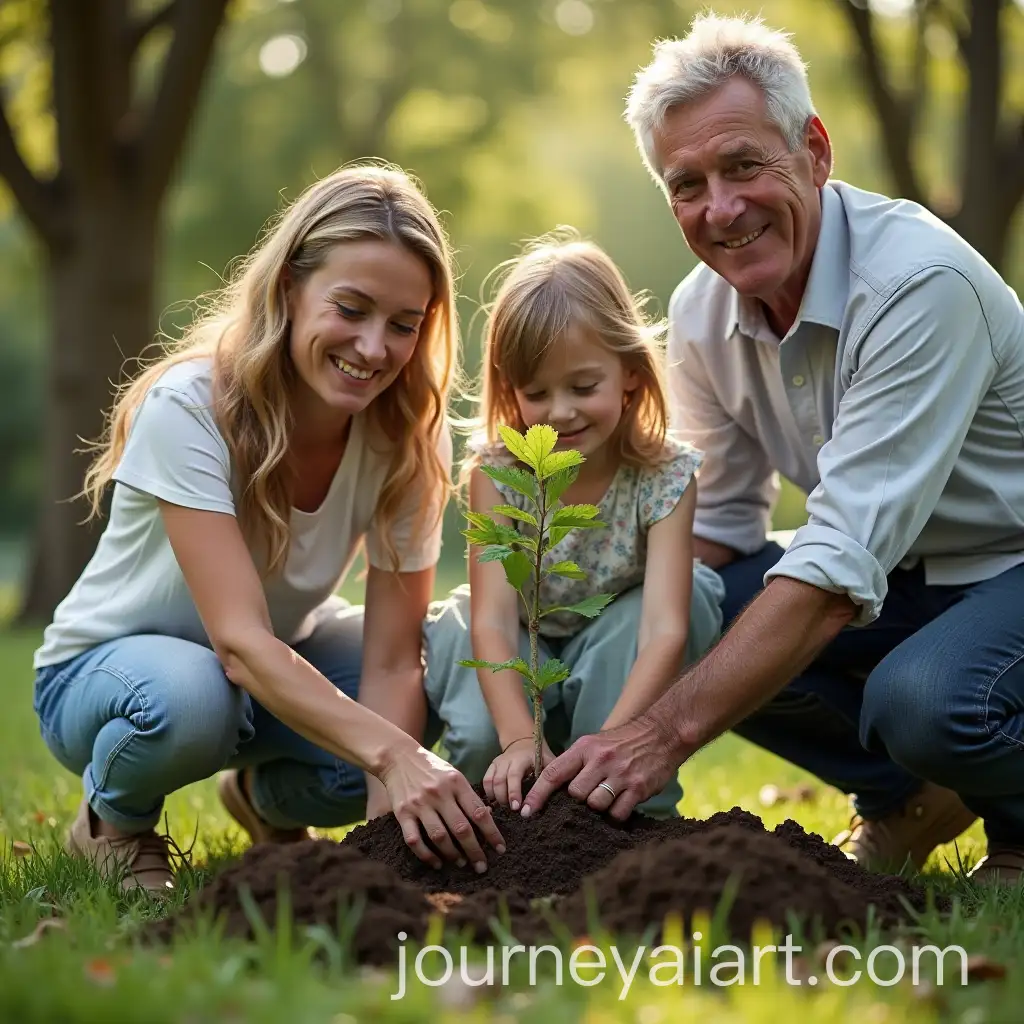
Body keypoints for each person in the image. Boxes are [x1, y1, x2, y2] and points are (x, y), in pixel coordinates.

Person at [520, 14, 1024, 884]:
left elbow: (835, 571)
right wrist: (566, 619)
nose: (721, 208)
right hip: (907, 578)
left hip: (1007, 562)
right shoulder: (702, 313)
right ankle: (913, 797)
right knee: (693, 609)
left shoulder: (915, 286)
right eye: (688, 184)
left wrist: (662, 734)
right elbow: (713, 527)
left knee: (928, 701)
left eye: (745, 165)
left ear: (814, 151)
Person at [31, 164, 506, 894]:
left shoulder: (408, 437)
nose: (374, 348)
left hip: (268, 666)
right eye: (351, 308)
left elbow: (387, 661)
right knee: (197, 698)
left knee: (433, 677)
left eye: (403, 325)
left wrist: (391, 828)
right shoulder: (191, 407)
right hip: (112, 680)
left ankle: (262, 802)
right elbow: (239, 644)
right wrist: (393, 756)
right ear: (289, 287)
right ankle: (111, 824)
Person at [421, 233, 725, 818]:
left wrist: (610, 746)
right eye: (537, 393)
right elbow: (490, 618)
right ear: (510, 391)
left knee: (634, 623)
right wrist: (516, 739)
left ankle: (625, 815)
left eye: (584, 387)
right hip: (518, 631)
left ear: (632, 372)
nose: (561, 411)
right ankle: (501, 815)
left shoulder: (664, 477)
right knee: (483, 719)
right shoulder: (500, 476)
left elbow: (664, 628)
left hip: (617, 638)